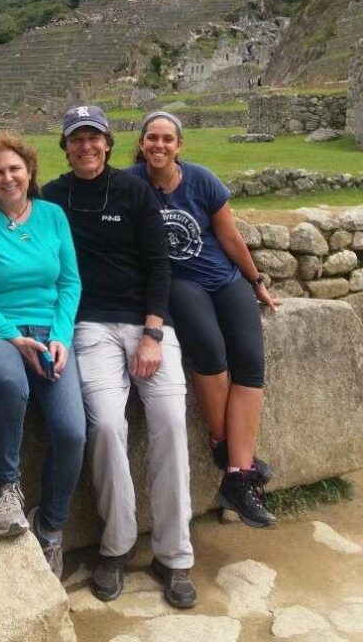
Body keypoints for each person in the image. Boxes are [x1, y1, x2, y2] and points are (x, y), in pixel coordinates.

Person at [43, 106, 196, 608]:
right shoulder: (53, 198)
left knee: (171, 421)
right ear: (65, 147)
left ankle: (175, 554)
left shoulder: (133, 192)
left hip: (147, 323)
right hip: (88, 325)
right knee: (106, 425)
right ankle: (117, 544)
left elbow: (159, 265)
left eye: (94, 138)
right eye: (76, 139)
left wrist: (153, 331)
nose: (86, 147)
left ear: (108, 144)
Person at [128, 111, 279, 529]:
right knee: (210, 352)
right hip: (179, 281)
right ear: (141, 144)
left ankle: (234, 468)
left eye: (167, 140)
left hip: (223, 277)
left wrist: (256, 281)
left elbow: (229, 236)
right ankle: (235, 459)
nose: (159, 146)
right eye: (152, 139)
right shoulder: (130, 184)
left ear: (179, 145)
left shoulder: (202, 180)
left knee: (250, 362)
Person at [0, 132, 85, 579]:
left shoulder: (52, 216)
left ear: (29, 171)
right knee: (9, 382)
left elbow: (69, 283)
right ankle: (5, 489)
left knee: (71, 432)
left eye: (15, 169)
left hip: (49, 334)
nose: (8, 177)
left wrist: (61, 336)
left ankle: (51, 530)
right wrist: (12, 337)